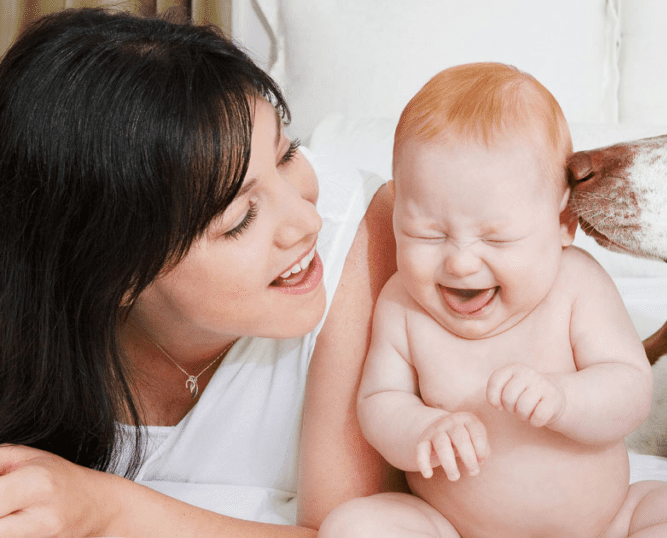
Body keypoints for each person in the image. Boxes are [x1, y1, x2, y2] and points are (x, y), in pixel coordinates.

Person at [0, 8, 401, 537]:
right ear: (120, 275)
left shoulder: (366, 238)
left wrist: (106, 508)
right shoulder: (32, 329)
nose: (306, 221)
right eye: (241, 220)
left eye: (288, 155)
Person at [318, 62, 667, 538]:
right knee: (352, 526)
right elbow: (380, 400)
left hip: (605, 523)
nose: (459, 263)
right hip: (453, 528)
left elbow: (630, 390)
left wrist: (564, 400)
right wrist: (419, 431)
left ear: (564, 225)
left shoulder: (577, 285)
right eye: (427, 234)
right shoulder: (404, 305)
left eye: (496, 240)